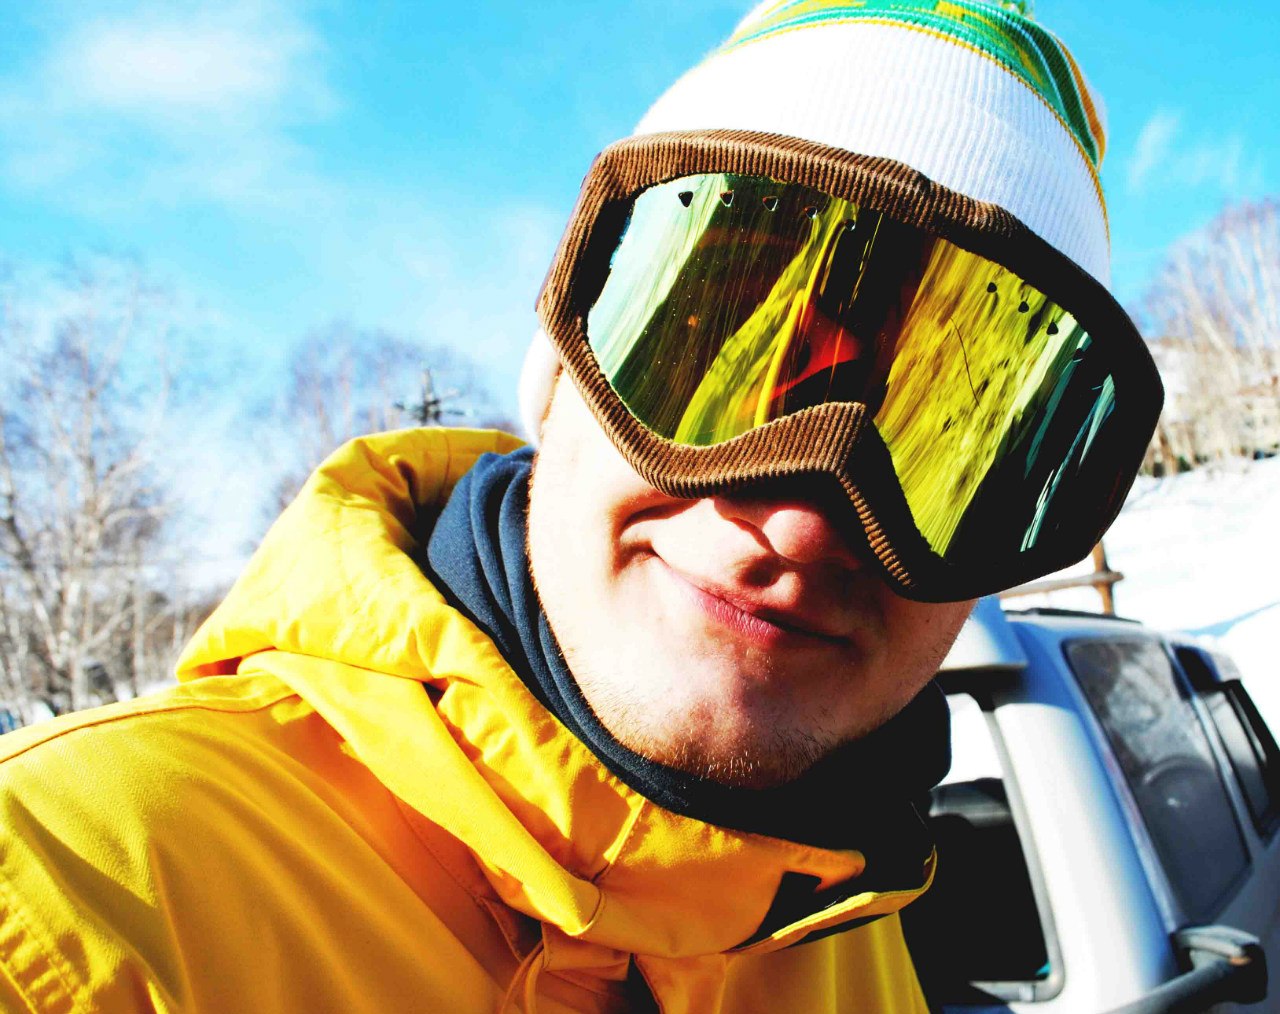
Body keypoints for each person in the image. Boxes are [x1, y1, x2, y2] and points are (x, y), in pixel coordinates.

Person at [0, 1, 1161, 1011]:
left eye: (951, 448)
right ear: (559, 371)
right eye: (713, 360)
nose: (803, 522)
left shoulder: (843, 927)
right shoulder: (72, 910)